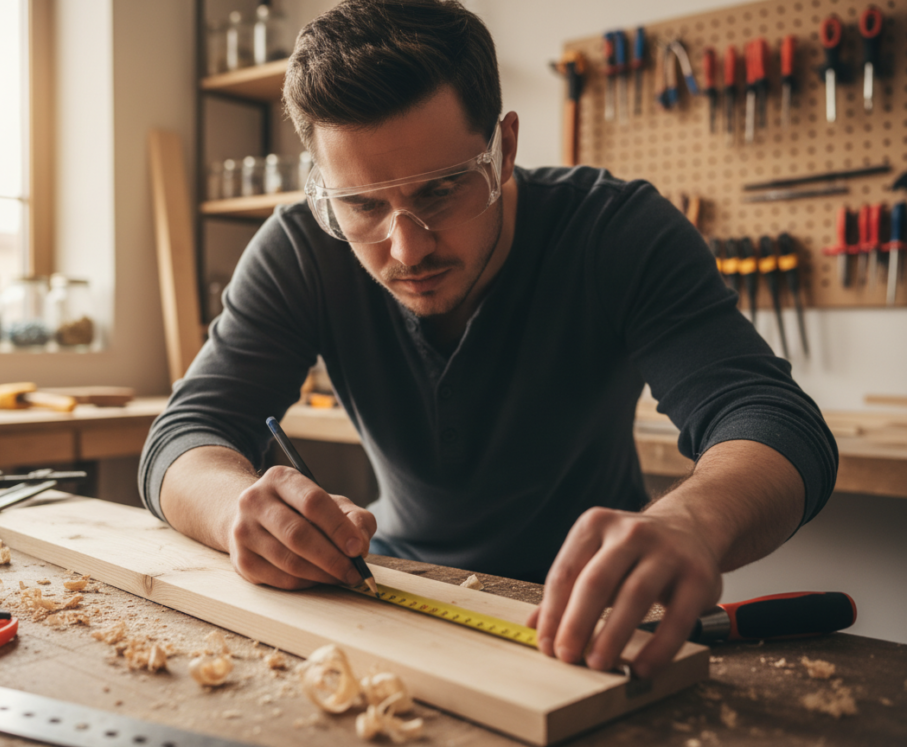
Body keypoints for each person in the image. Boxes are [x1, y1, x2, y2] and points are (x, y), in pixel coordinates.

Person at [140, 0, 836, 680]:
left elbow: (775, 420)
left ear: (503, 147)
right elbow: (187, 431)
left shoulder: (617, 231)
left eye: (441, 190)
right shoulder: (299, 251)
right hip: (398, 591)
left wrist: (693, 521)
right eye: (362, 205)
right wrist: (240, 510)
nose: (406, 248)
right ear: (321, 186)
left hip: (601, 612)